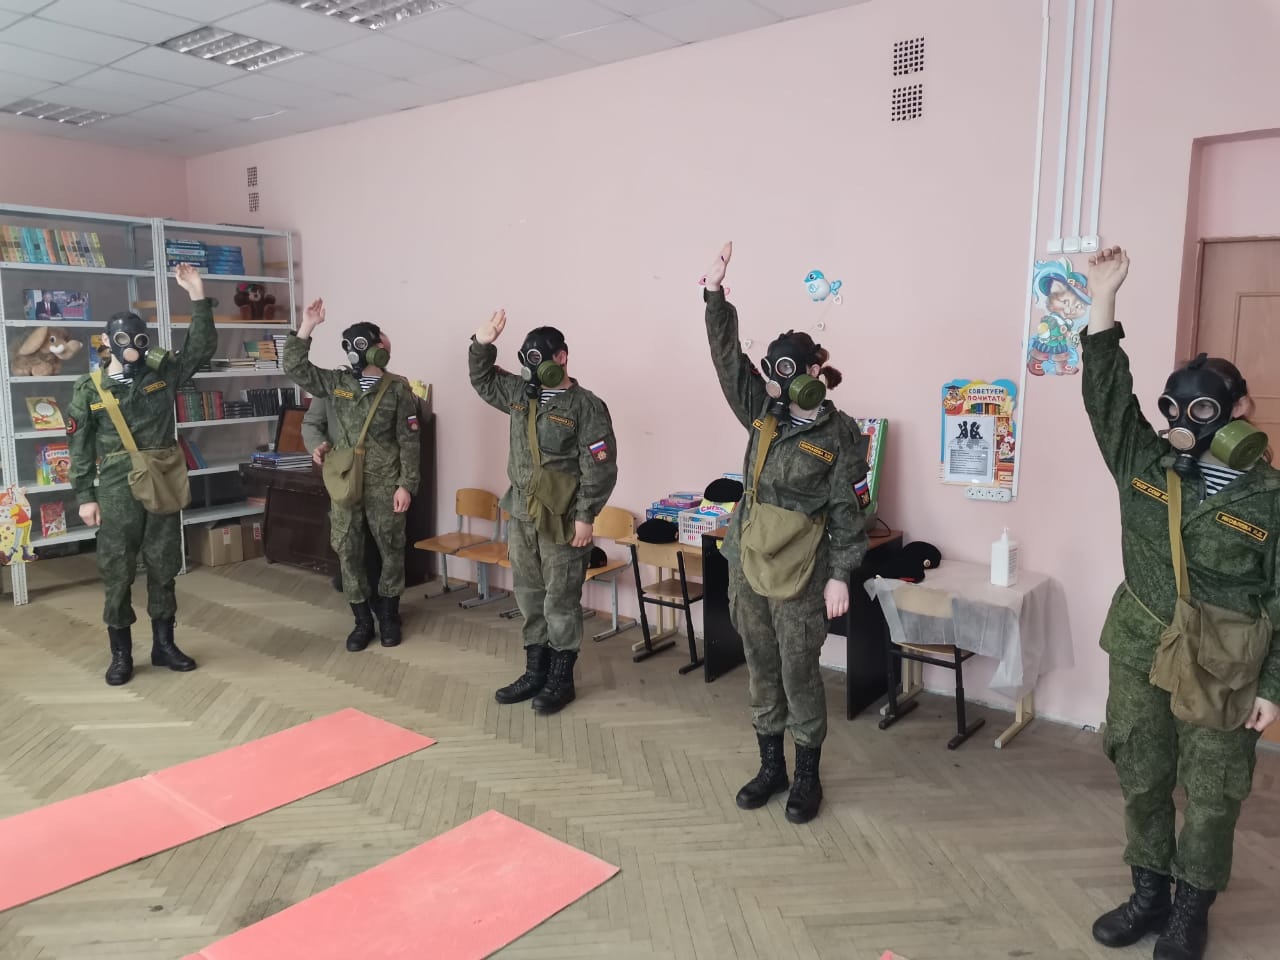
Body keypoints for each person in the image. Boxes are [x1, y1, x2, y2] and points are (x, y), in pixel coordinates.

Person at [1080, 246, 1280, 960]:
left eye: (1202, 408)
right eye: (1174, 408)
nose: (1184, 421)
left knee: (1213, 792)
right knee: (1141, 775)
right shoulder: (1143, 462)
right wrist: (1103, 299)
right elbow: (1107, 394)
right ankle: (1150, 894)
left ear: (1240, 409)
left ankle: (1192, 909)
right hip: (1141, 649)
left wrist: (1274, 687)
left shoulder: (1270, 499)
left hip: (1224, 666)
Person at [701, 242, 869, 825]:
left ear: (815, 373)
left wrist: (841, 575)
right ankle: (771, 767)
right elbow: (728, 361)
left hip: (803, 575)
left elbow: (850, 510)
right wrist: (715, 295)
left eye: (791, 371)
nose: (780, 382)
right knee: (761, 667)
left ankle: (806, 777)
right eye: (774, 373)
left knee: (800, 674)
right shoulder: (762, 415)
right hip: (749, 562)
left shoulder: (841, 435)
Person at [65, 264, 213, 686]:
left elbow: (200, 349)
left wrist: (197, 294)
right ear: (107, 342)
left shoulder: (162, 374)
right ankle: (121, 654)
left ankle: (164, 645)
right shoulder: (90, 388)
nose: (132, 346)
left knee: (164, 563)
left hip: (161, 479)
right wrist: (85, 496)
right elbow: (80, 446)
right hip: (116, 488)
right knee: (117, 569)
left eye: (138, 338)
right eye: (124, 339)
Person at [468, 309, 618, 715]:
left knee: (561, 599)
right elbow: (483, 380)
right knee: (530, 594)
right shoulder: (519, 394)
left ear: (561, 357)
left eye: (538, 358)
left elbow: (599, 466)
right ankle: (535, 671)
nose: (531, 367)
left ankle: (560, 680)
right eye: (526, 359)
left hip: (563, 517)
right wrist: (482, 344)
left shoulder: (586, 406)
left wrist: (586, 516)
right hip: (521, 513)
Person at [284, 301, 420, 651]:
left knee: (391, 549)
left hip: (385, 481)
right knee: (348, 549)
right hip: (345, 480)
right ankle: (362, 620)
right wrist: (307, 327)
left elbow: (409, 441)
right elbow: (295, 367)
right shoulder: (337, 383)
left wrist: (406, 485)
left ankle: (389, 615)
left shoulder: (397, 389)